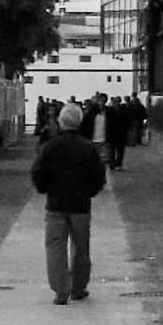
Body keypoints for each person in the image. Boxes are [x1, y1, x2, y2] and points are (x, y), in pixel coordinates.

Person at [30, 105, 109, 305]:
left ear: (61, 122)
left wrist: (44, 188)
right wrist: (90, 191)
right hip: (80, 205)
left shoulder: (50, 146)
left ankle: (60, 290)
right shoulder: (88, 147)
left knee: (55, 247)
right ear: (79, 122)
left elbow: (38, 172)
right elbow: (99, 176)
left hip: (56, 204)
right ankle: (78, 287)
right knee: (81, 248)